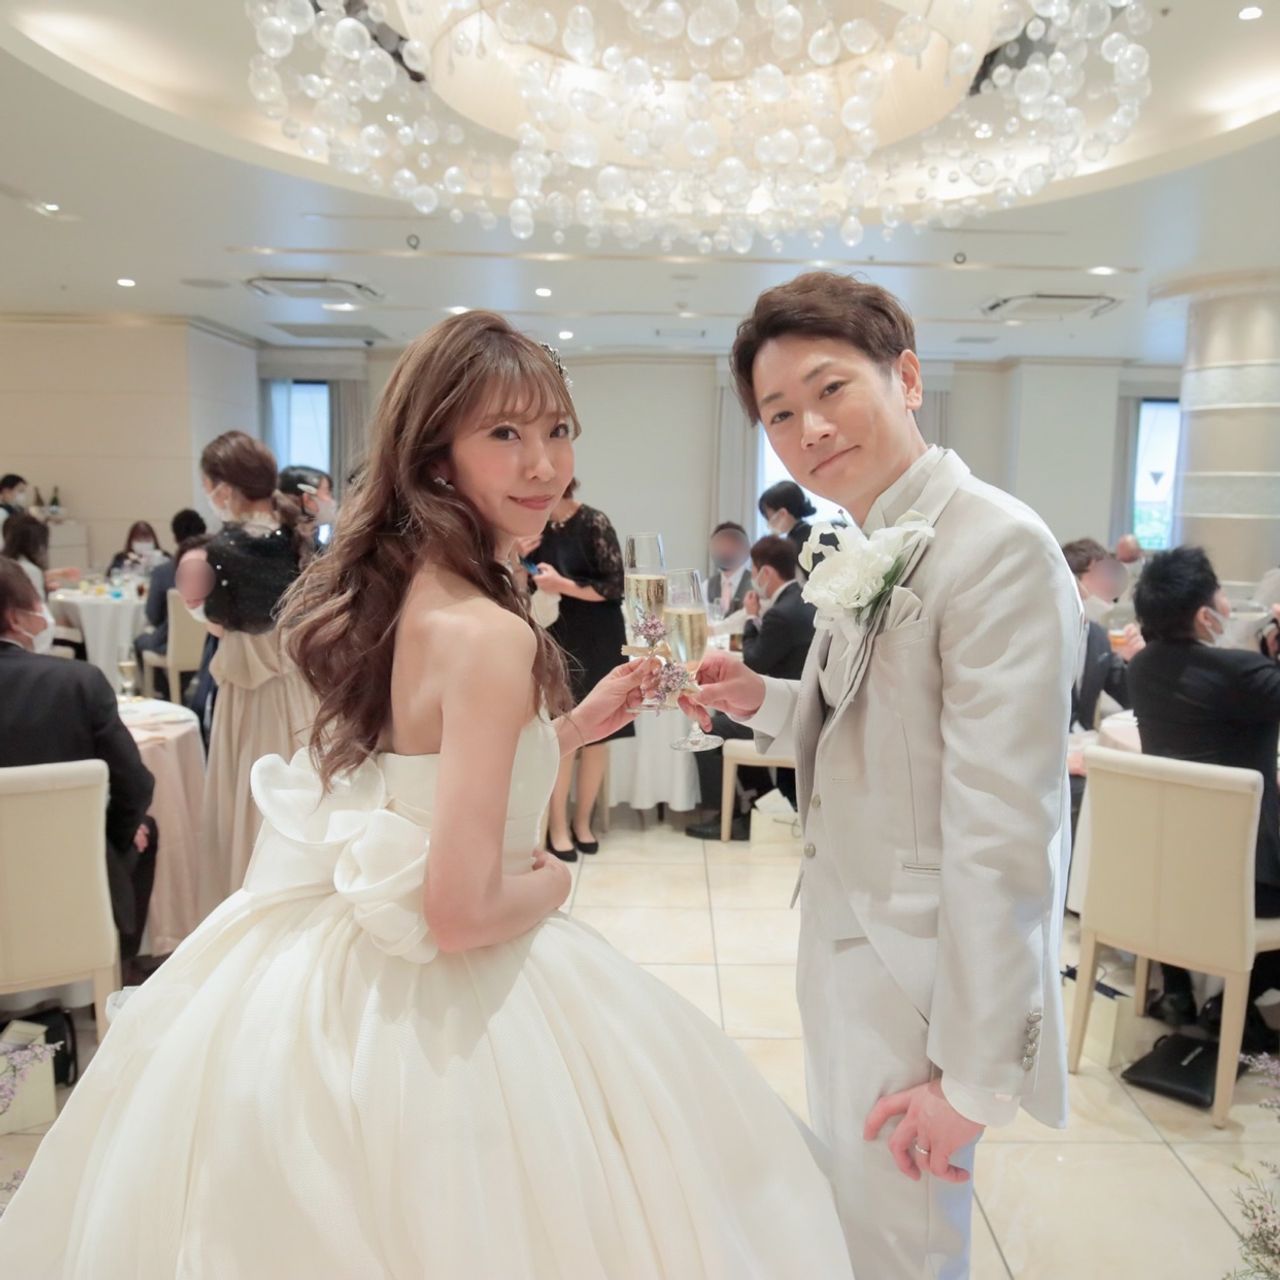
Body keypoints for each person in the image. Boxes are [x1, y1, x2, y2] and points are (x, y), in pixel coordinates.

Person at [0, 311, 854, 1278]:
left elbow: (425, 765)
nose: (544, 464)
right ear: (437, 454)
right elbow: (459, 912)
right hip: (445, 975)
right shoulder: (490, 631)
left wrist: (571, 729)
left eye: (558, 430)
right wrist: (555, 881)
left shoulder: (410, 586)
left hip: (333, 953)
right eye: (505, 433)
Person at [684, 272, 1078, 1278]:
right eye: (779, 413)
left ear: (905, 377)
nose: (808, 429)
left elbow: (1006, 824)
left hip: (921, 973)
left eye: (830, 389)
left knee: (904, 1247)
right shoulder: (869, 539)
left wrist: (973, 1079)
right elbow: (870, 726)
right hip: (843, 938)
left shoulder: (994, 545)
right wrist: (760, 698)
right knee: (858, 1228)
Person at [1128, 546, 1280, 1046]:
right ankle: (1237, 1001)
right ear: (1204, 614)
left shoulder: (1142, 669)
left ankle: (1178, 991)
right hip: (1249, 878)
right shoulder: (1243, 675)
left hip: (1168, 867)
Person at [179, 431, 319, 915]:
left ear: (225, 487)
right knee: (299, 786)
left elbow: (221, 620)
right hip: (300, 685)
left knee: (250, 789)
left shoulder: (223, 549)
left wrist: (197, 607)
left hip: (250, 688)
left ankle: (250, 895)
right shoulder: (298, 537)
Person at [0, 558, 157, 968]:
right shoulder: (76, 682)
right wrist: (108, 837)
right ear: (15, 618)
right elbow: (135, 785)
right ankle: (114, 967)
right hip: (67, 864)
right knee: (144, 828)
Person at [527, 477, 631, 860]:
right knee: (562, 730)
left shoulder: (593, 522)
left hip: (599, 633)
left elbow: (615, 585)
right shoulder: (530, 527)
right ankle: (557, 827)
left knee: (599, 733)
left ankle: (583, 822)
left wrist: (562, 584)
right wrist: (516, 559)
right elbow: (518, 587)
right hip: (555, 634)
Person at [687, 534, 816, 840]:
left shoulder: (780, 613)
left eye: (755, 570)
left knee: (706, 732)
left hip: (786, 708)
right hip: (799, 700)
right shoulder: (803, 601)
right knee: (730, 719)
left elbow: (755, 660)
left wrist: (750, 618)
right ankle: (761, 804)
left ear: (765, 572)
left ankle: (726, 815)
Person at [1061, 539, 1140, 838]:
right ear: (1075, 581)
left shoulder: (1098, 636)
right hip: (1053, 756)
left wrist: (1137, 661)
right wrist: (1060, 762)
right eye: (1101, 576)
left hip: (1086, 745)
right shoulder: (1045, 633)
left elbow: (1129, 696)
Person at [133, 509, 207, 699]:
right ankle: (179, 689)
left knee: (140, 642)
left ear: (174, 537)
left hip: (172, 641)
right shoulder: (215, 568)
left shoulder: (164, 571)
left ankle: (167, 692)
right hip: (209, 641)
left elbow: (153, 615)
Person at [279, 464, 338, 547]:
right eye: (327, 492)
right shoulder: (283, 544)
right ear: (306, 499)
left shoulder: (313, 542)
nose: (332, 500)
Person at [707, 520, 753, 623]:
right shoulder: (706, 585)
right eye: (720, 544)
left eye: (730, 544)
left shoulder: (756, 584)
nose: (725, 549)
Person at [758, 478, 816, 556]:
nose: (768, 523)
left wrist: (773, 535)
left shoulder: (794, 545)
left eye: (767, 516)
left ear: (782, 513)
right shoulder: (813, 532)